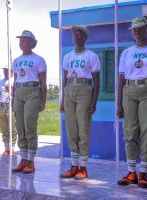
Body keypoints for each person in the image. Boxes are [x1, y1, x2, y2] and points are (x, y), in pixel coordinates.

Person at [116, 16, 147, 188]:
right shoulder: (126, 52)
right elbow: (120, 79)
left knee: (146, 132)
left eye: (141, 29)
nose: (137, 32)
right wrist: (118, 104)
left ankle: (143, 173)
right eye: (134, 30)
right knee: (129, 132)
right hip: (129, 91)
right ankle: (131, 172)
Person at [59, 25, 100, 180]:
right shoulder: (67, 57)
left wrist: (94, 102)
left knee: (83, 129)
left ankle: (83, 167)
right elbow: (65, 78)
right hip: (70, 89)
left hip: (85, 89)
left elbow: (96, 81)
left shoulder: (92, 56)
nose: (76, 37)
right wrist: (62, 99)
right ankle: (74, 165)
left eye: (79, 34)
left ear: (85, 37)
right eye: (74, 34)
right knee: (71, 129)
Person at [11, 30, 47, 174]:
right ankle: (23, 159)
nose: (22, 43)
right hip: (19, 92)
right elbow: (15, 80)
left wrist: (43, 100)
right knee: (20, 126)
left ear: (32, 43)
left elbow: (43, 82)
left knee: (29, 124)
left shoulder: (39, 59)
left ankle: (31, 161)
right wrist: (13, 98)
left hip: (33, 91)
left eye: (25, 40)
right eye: (20, 40)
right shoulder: (16, 61)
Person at [0, 66, 17, 156]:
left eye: (7, 71)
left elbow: (16, 95)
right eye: (4, 70)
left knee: (12, 128)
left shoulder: (14, 80)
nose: (5, 72)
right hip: (2, 105)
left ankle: (12, 148)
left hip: (11, 105)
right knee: (4, 128)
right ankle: (6, 148)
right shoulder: (1, 81)